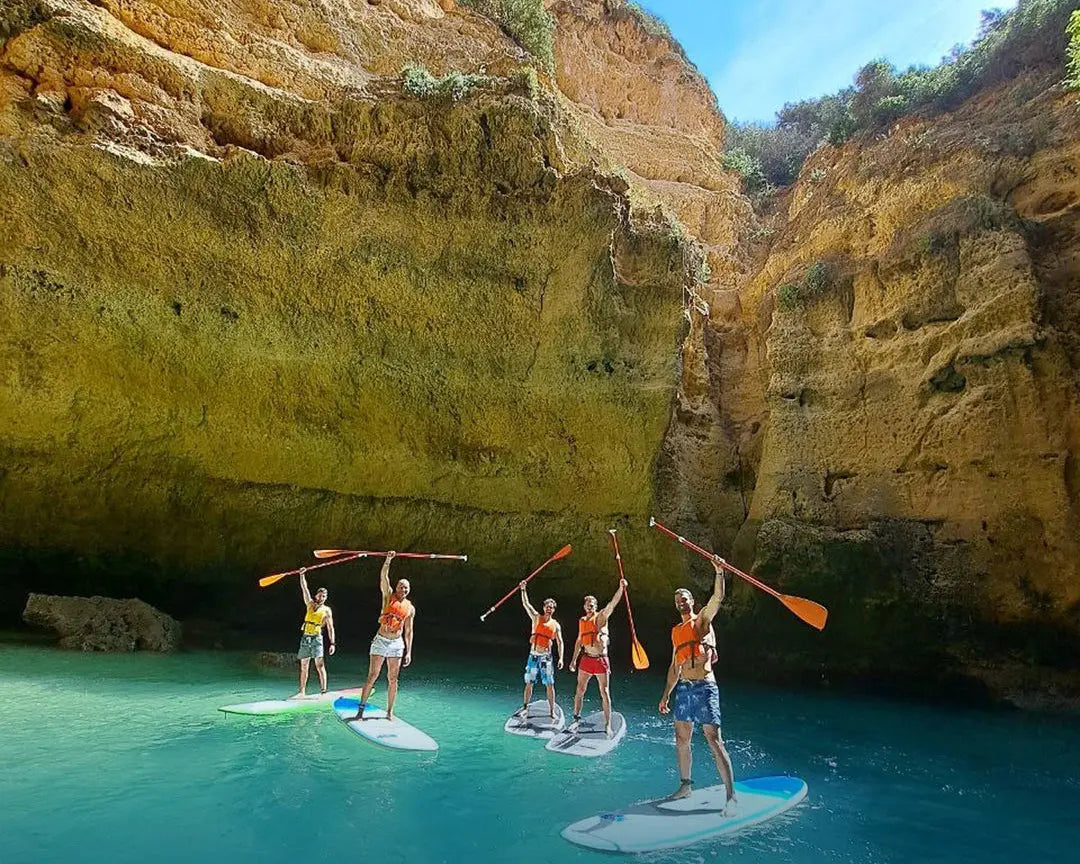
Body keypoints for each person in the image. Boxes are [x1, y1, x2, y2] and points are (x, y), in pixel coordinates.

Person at [658, 559, 736, 813]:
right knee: (681, 738)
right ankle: (685, 785)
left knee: (714, 739)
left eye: (684, 598)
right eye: (677, 600)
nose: (681, 602)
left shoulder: (701, 621)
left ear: (692, 601)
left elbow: (717, 598)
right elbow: (674, 666)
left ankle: (731, 796)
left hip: (704, 686)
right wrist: (666, 695)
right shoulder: (675, 631)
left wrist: (719, 571)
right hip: (684, 688)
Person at [349, 551, 414, 722]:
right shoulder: (388, 596)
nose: (403, 589)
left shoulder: (410, 608)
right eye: (401, 586)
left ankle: (390, 712)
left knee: (393, 679)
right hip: (380, 641)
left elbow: (409, 631)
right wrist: (388, 560)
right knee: (372, 675)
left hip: (397, 644)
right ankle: (361, 709)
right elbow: (383, 576)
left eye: (406, 587)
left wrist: (408, 651)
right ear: (396, 587)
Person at [568, 579, 626, 736]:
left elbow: (612, 604)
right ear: (584, 607)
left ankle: (607, 725)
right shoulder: (582, 621)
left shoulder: (601, 617)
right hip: (586, 659)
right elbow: (579, 641)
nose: (589, 607)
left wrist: (621, 588)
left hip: (600, 660)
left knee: (604, 692)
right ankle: (575, 718)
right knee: (580, 690)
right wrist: (573, 660)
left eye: (592, 605)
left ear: (596, 606)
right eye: (587, 605)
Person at [517, 581, 564, 720]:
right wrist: (523, 590)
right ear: (544, 607)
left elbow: (560, 642)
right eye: (547, 606)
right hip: (534, 655)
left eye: (551, 607)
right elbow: (526, 604)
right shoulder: (537, 618)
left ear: (554, 609)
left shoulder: (556, 625)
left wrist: (561, 658)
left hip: (546, 658)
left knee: (549, 684)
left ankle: (551, 711)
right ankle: (525, 708)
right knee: (529, 682)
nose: (549, 609)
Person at [294, 569, 335, 697]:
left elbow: (330, 627)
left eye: (324, 596)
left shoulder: (327, 610)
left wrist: (332, 643)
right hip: (306, 638)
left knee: (319, 665)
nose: (321, 598)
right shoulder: (310, 604)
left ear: (325, 598)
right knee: (304, 665)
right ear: (316, 595)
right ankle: (302, 692)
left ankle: (323, 691)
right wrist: (302, 575)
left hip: (317, 638)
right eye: (320, 595)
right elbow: (304, 589)